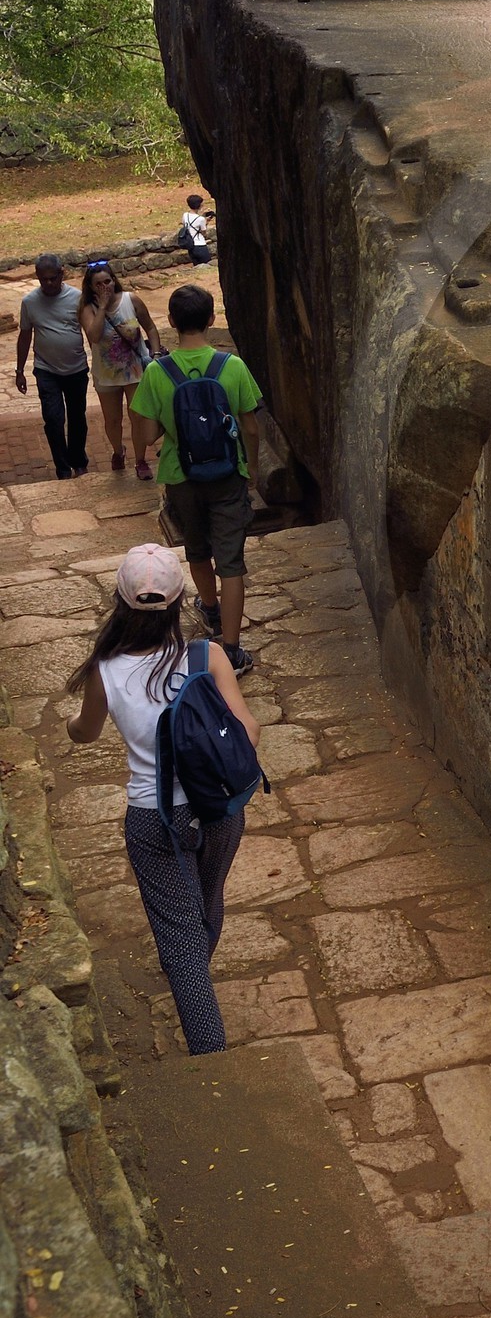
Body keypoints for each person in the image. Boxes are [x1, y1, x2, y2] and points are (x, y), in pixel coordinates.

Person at [65, 542, 259, 1055]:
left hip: (154, 821)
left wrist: (70, 724)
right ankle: (198, 977)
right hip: (217, 809)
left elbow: (83, 732)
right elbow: (249, 730)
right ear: (179, 603)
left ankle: (211, 1055)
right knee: (207, 898)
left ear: (120, 602)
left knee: (179, 940)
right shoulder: (206, 655)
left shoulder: (104, 670)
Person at [130, 286, 262, 675]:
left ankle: (211, 610)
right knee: (232, 562)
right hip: (227, 473)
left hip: (181, 475)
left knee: (198, 548)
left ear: (170, 321)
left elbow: (147, 434)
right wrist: (251, 468)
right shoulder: (232, 366)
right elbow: (250, 425)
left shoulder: (157, 372)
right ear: (211, 319)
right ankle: (233, 650)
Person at [79, 261, 162, 475]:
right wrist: (103, 307)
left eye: (108, 281)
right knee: (112, 419)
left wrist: (155, 353)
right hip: (106, 373)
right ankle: (118, 450)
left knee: (137, 416)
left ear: (114, 280)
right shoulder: (88, 309)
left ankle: (141, 460)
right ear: (90, 287)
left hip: (135, 370)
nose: (105, 286)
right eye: (98, 284)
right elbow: (94, 336)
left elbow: (150, 327)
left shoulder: (131, 300)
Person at [15, 252, 90, 479]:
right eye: (43, 279)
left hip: (76, 368)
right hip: (46, 370)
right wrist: (19, 371)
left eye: (53, 278)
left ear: (62, 274)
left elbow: (90, 330)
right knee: (53, 418)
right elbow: (25, 335)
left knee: (77, 417)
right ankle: (63, 468)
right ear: (37, 276)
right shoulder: (29, 302)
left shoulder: (76, 298)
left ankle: (78, 460)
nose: (48, 284)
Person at [177, 195, 212, 265]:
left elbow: (188, 225)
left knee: (196, 266)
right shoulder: (201, 219)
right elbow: (203, 232)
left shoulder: (185, 215)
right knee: (207, 265)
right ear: (199, 205)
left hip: (191, 246)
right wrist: (206, 221)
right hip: (200, 245)